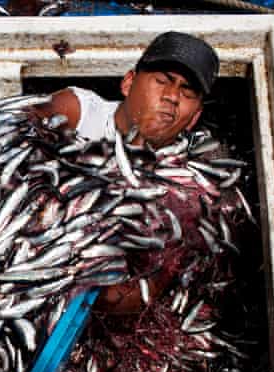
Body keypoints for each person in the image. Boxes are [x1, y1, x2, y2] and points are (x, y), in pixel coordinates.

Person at [31, 31, 220, 314]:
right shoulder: (78, 111)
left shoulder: (188, 185)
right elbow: (12, 134)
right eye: (162, 80)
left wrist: (71, 279)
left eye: (187, 92)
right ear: (128, 82)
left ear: (194, 117)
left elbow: (141, 294)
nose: (171, 97)